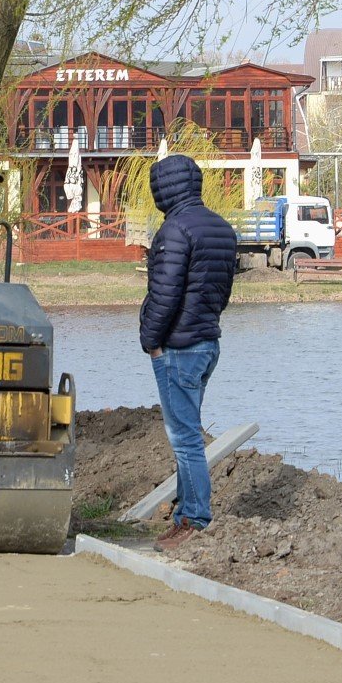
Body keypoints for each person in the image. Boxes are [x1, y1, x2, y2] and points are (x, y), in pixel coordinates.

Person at [138, 153, 237, 551]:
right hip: (208, 342)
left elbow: (164, 294)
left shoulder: (174, 231)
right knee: (188, 432)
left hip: (178, 347)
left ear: (163, 187)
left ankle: (194, 519)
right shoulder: (222, 229)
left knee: (184, 438)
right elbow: (222, 292)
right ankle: (184, 515)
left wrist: (150, 340)